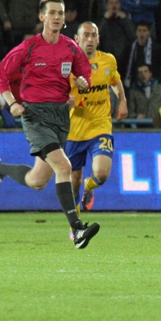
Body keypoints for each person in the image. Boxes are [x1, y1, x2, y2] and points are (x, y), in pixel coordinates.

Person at [0, 0, 101, 249]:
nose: (57, 17)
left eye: (60, 13)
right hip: (34, 115)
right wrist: (12, 102)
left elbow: (84, 72)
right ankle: (77, 230)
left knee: (37, 180)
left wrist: (82, 81)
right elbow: (0, 76)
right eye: (52, 13)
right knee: (64, 167)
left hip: (59, 116)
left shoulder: (69, 47)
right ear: (42, 16)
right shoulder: (29, 47)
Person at [65, 21, 127, 212]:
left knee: (101, 174)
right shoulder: (67, 67)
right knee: (73, 181)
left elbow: (115, 81)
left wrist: (122, 100)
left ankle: (89, 187)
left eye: (93, 35)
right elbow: (56, 94)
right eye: (86, 35)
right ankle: (75, 224)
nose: (90, 39)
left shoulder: (108, 61)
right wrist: (67, 100)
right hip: (75, 129)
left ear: (98, 39)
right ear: (77, 39)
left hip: (100, 125)